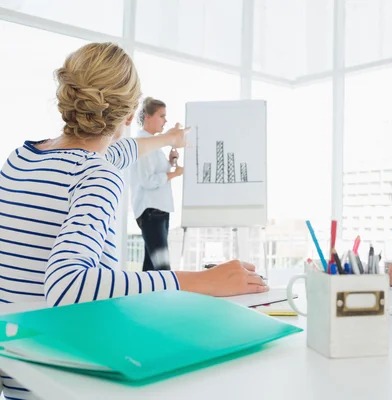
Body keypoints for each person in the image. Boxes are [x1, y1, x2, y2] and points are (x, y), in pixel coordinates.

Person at [0, 42, 267, 399]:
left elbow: (121, 149)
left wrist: (168, 138)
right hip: (68, 382)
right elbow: (68, 286)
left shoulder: (22, 157)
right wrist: (202, 280)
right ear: (129, 117)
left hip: (19, 372)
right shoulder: (97, 175)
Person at [131, 97, 181, 271]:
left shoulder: (153, 145)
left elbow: (154, 174)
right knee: (162, 268)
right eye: (162, 116)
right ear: (147, 117)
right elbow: (147, 180)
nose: (165, 121)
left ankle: (144, 298)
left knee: (151, 268)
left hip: (158, 210)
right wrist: (173, 173)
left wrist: (170, 161)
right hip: (152, 212)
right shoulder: (144, 144)